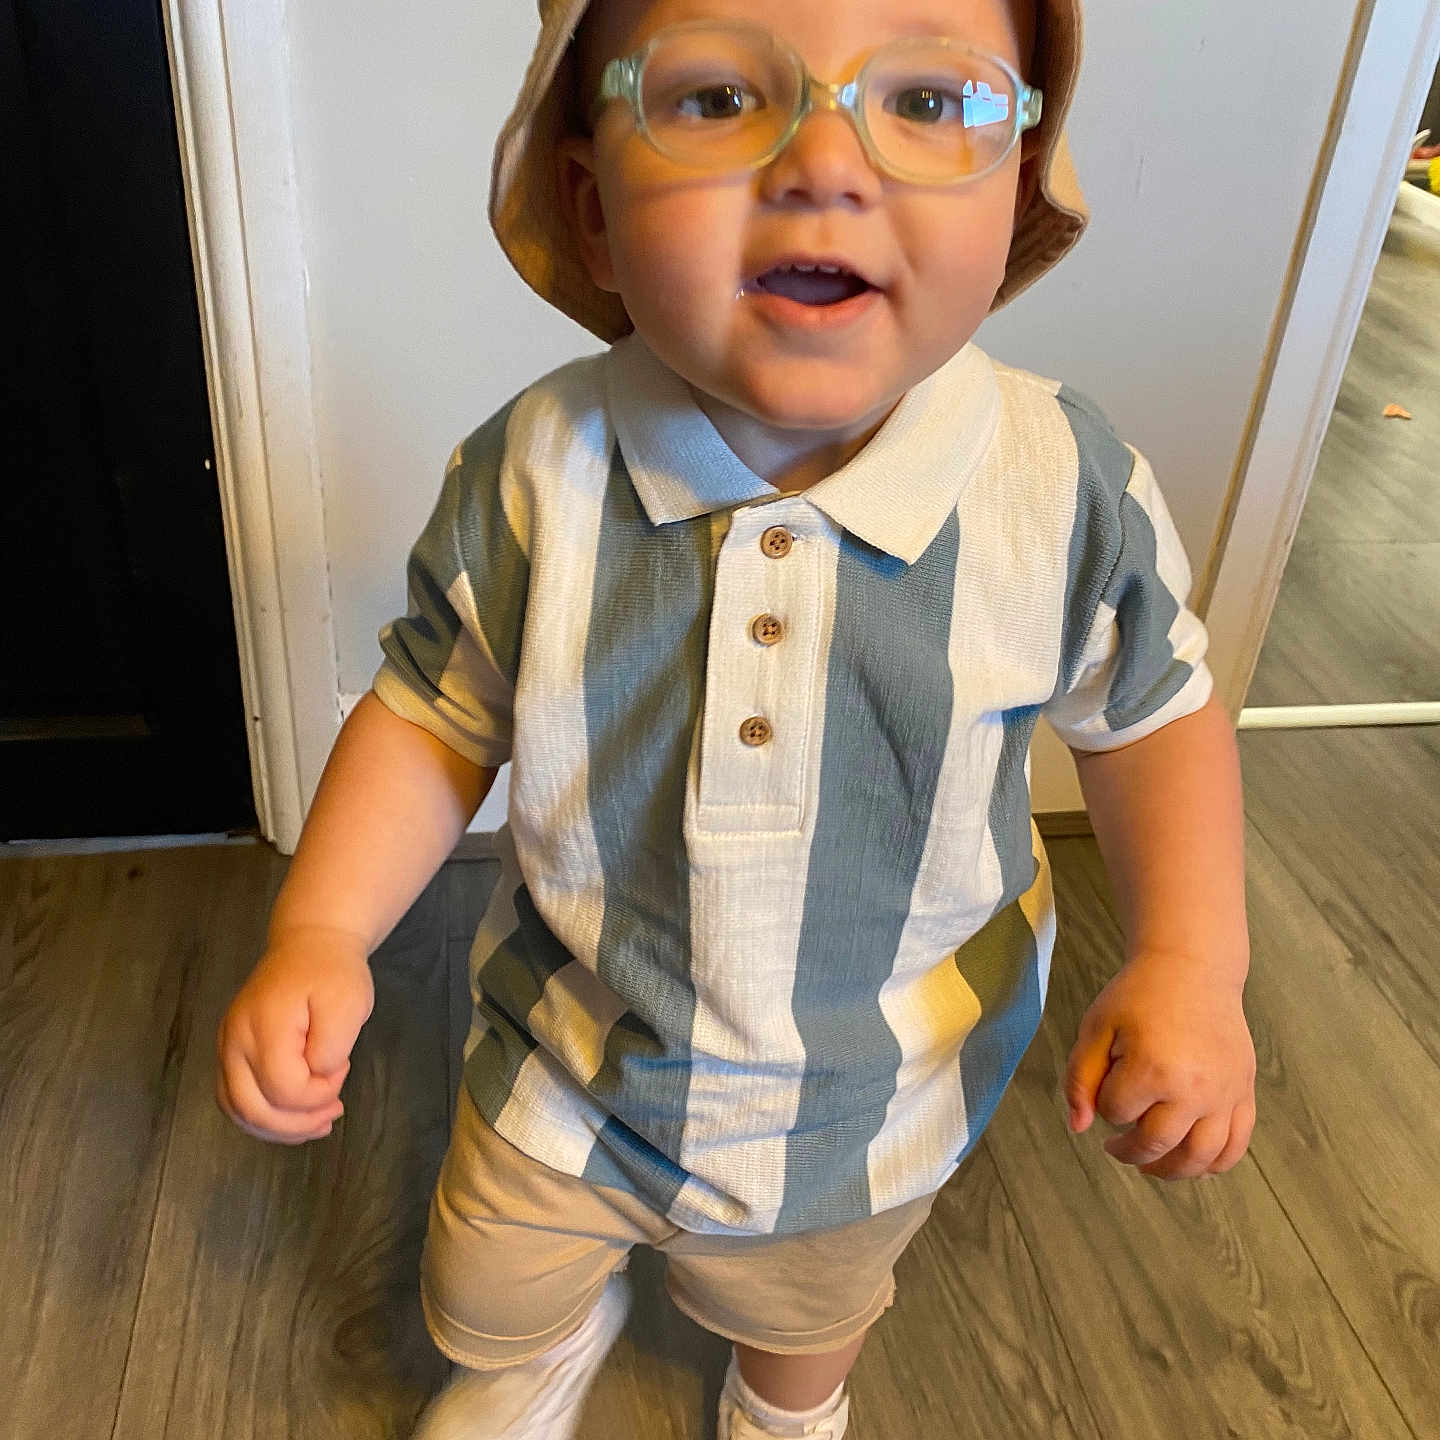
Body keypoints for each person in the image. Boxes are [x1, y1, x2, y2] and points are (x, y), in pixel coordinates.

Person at [216, 0, 1258, 1434]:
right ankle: (534, 1358)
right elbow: (434, 713)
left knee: (808, 1310)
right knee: (484, 1282)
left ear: (1020, 187)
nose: (827, 162)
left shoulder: (1056, 486)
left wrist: (1195, 959)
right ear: (589, 207)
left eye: (930, 102)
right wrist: (320, 930)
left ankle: (786, 1409)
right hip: (571, 1048)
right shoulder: (538, 470)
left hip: (870, 1096)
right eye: (715, 99)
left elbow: (1151, 718)